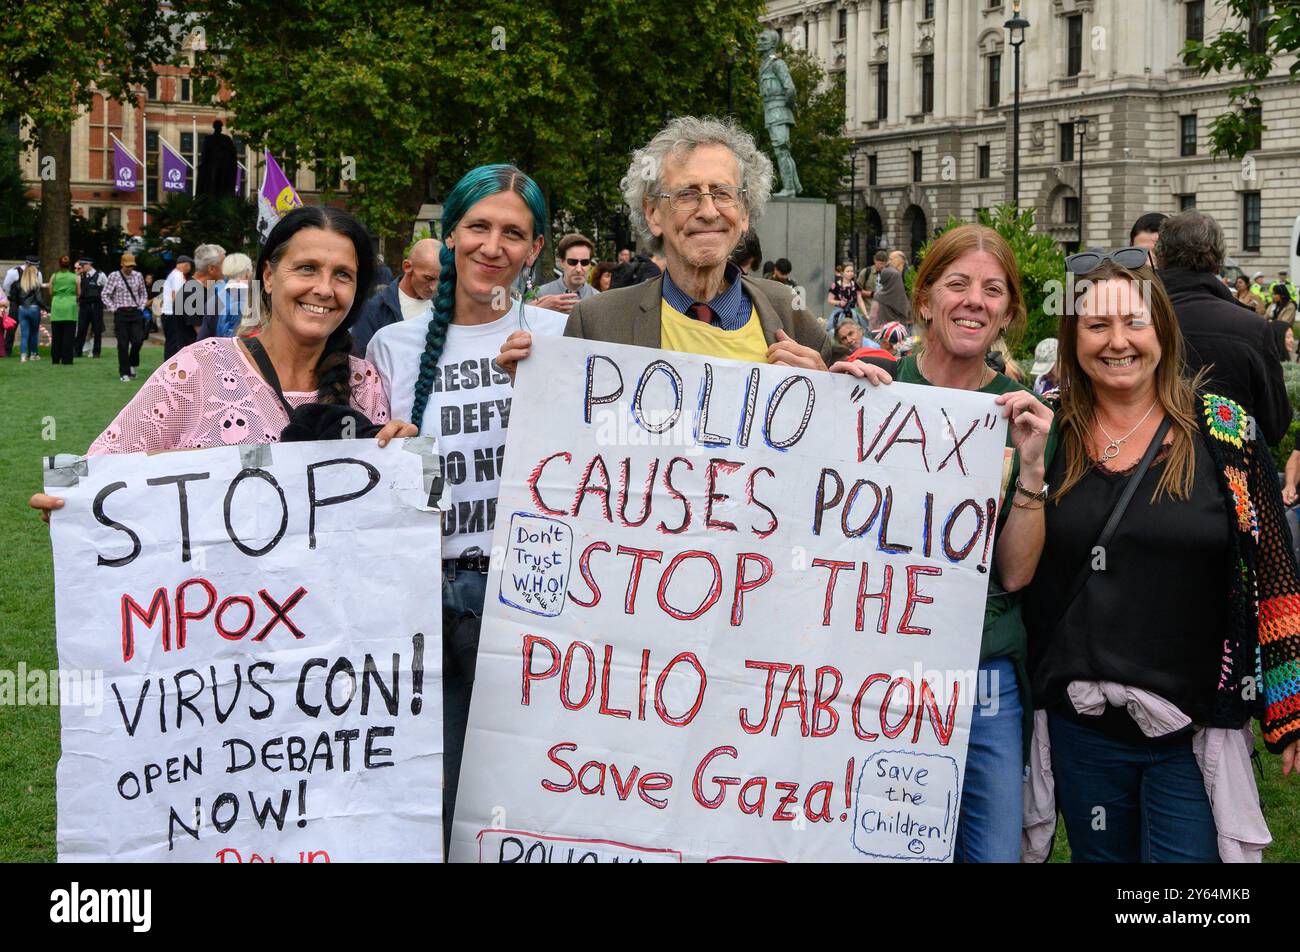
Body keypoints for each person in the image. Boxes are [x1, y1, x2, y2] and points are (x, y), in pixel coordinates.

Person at [1022, 247, 1300, 862]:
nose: (1117, 341)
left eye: (1134, 322)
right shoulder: (1048, 432)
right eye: (1097, 325)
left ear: (1162, 330)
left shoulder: (1225, 431)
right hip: (1084, 731)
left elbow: (1276, 570)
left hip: (1191, 727)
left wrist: (1290, 708)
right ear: (1073, 339)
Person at [365, 164, 566, 845]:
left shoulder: (561, 339)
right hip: (421, 598)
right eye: (478, 226)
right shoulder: (390, 347)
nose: (493, 246)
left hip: (530, 598)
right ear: (448, 236)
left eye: (514, 233)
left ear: (536, 249)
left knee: (532, 793)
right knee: (432, 795)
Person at [842, 223, 1055, 863]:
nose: (974, 301)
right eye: (957, 284)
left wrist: (1034, 469)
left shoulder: (1020, 417)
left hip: (983, 675)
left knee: (987, 855)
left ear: (1009, 313)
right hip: (867, 668)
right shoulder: (869, 390)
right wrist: (837, 404)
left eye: (992, 291)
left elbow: (1016, 576)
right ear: (925, 298)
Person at [26, 207, 412, 483]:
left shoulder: (366, 383)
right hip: (213, 600)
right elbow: (103, 472)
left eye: (342, 275)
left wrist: (400, 458)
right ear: (270, 276)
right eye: (307, 268)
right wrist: (74, 500)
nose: (324, 289)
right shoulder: (198, 369)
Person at [498, 116, 840, 374]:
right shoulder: (598, 321)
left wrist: (828, 392)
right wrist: (535, 388)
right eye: (686, 195)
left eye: (722, 193)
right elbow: (571, 440)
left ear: (745, 212)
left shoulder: (787, 310)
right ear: (652, 214)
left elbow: (855, 434)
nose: (708, 211)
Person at [1156, 210, 1290, 446]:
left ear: (1160, 258)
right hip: (1232, 469)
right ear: (1218, 264)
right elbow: (1274, 426)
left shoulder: (1132, 318)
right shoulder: (1253, 328)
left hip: (1143, 467)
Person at [350, 238, 443, 353]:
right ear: (407, 267)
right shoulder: (374, 309)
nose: (434, 287)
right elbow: (359, 359)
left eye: (441, 279)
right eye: (428, 278)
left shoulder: (446, 305)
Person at [101, 252, 149, 380]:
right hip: (121, 312)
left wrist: (141, 306)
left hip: (135, 312)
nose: (129, 268)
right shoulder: (114, 276)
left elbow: (143, 293)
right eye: (127, 266)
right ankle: (124, 372)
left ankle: (132, 364)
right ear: (122, 264)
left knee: (138, 340)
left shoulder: (138, 276)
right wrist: (113, 308)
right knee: (122, 344)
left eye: (132, 266)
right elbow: (105, 294)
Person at [533, 232, 598, 312]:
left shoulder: (598, 298)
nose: (578, 269)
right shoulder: (541, 294)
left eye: (584, 262)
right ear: (562, 262)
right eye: (572, 262)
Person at [200, 252, 254, 339]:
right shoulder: (256, 301)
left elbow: (202, 339)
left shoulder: (213, 301)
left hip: (217, 350)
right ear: (247, 273)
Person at [10, 260, 46, 362]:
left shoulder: (17, 284)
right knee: (34, 333)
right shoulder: (36, 285)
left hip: (22, 309)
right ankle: (33, 354)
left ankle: (23, 355)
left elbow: (14, 298)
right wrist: (46, 307)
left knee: (24, 334)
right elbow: (39, 299)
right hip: (34, 309)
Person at [47, 255, 79, 364]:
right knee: (68, 336)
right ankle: (67, 359)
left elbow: (50, 291)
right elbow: (79, 292)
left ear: (59, 264)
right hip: (70, 307)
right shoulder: (75, 277)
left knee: (56, 335)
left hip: (57, 306)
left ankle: (55, 358)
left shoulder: (54, 276)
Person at [160, 255, 193, 358]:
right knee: (173, 344)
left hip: (168, 313)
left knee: (171, 343)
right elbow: (177, 296)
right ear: (185, 265)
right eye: (189, 265)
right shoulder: (178, 275)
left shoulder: (173, 274)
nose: (190, 268)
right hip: (172, 314)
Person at [75, 256, 106, 357]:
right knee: (81, 329)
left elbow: (107, 289)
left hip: (96, 306)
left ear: (89, 265)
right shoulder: (81, 276)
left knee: (97, 330)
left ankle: (96, 352)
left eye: (83, 265)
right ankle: (77, 351)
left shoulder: (100, 275)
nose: (81, 267)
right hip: (84, 306)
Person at [826, 261, 867, 332]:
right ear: (842, 273)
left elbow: (860, 301)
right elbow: (829, 300)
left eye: (852, 271)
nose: (850, 273)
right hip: (839, 312)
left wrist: (865, 314)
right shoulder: (836, 285)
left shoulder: (855, 285)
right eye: (848, 271)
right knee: (835, 330)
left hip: (853, 312)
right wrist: (839, 302)